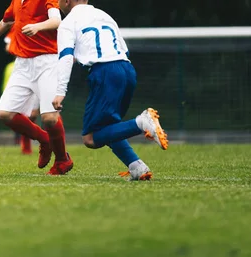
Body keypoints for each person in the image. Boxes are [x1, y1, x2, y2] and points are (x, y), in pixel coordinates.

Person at [53, 0, 168, 181]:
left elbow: (66, 57)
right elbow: (124, 50)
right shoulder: (104, 15)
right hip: (126, 69)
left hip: (105, 73)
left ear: (66, 1)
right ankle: (136, 166)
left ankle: (141, 123)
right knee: (109, 127)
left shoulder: (67, 23)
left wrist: (60, 91)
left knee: (90, 138)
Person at [0, 0, 73, 175]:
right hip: (22, 64)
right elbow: (6, 21)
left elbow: (57, 20)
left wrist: (38, 27)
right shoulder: (16, 1)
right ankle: (45, 140)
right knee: (5, 114)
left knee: (50, 118)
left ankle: (62, 160)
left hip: (47, 61)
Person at [2, 32, 40, 155]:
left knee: (35, 115)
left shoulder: (45, 25)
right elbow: (8, 47)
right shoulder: (16, 28)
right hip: (25, 74)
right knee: (25, 115)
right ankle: (27, 146)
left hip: (41, 71)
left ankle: (46, 140)